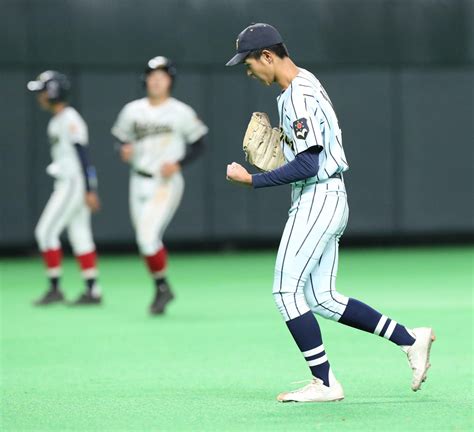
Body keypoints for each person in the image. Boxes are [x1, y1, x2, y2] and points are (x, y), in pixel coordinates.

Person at [225, 23, 435, 402]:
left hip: (317, 197)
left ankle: (324, 383)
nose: (248, 70)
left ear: (268, 56)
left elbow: (307, 164)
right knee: (322, 297)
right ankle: (410, 339)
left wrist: (253, 181)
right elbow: (306, 154)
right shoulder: (303, 82)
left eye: (249, 61)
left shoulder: (296, 95)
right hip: (328, 195)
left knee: (285, 291)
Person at [111, 57, 208, 315]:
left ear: (170, 81)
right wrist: (122, 148)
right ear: (145, 79)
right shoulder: (132, 110)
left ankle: (163, 287)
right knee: (146, 241)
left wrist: (179, 163)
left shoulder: (181, 111)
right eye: (152, 74)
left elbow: (199, 143)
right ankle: (161, 287)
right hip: (138, 179)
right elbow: (119, 139)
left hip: (165, 182)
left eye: (162, 75)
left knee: (147, 236)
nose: (156, 79)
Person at [27, 71, 102, 305]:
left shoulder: (69, 118)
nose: (39, 96)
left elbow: (83, 153)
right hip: (73, 182)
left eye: (42, 91)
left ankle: (55, 287)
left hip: (73, 182)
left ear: (53, 92)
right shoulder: (57, 120)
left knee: (45, 232)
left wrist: (90, 188)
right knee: (80, 234)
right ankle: (93, 290)